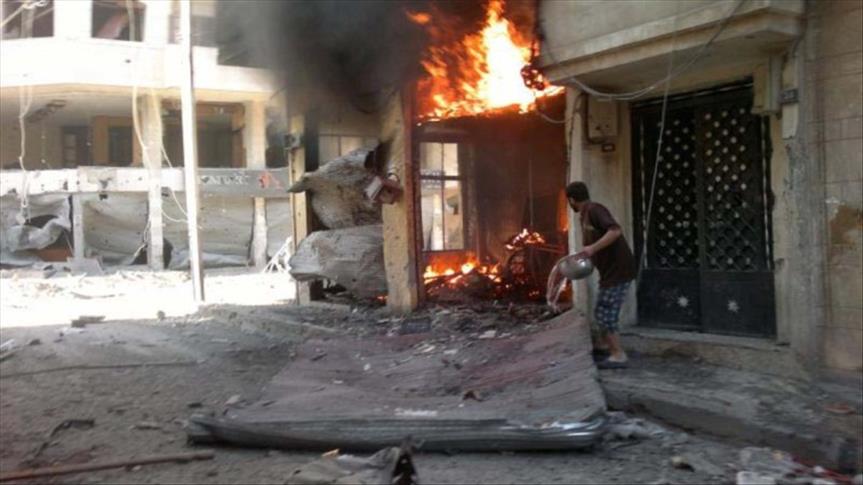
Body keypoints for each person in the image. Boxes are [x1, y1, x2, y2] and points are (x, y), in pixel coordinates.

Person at [566, 181, 637, 369]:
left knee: (606, 313)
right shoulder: (584, 215)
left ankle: (618, 355)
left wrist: (592, 249)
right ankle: (606, 345)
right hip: (609, 272)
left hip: (619, 270)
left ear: (571, 200)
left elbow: (615, 231)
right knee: (601, 310)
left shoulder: (595, 210)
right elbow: (592, 245)